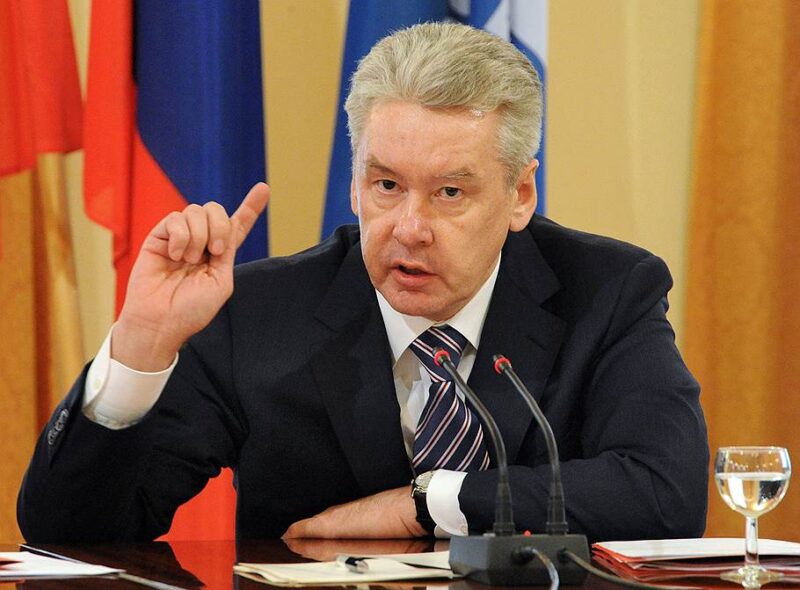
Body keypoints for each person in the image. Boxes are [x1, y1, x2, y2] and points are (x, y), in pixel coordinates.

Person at [18, 22, 708, 543]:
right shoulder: (256, 315)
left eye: (449, 192)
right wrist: (141, 345)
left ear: (520, 194)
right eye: (386, 185)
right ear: (353, 185)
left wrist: (427, 505)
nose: (410, 227)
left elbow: (665, 495)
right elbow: (71, 533)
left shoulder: (607, 292)